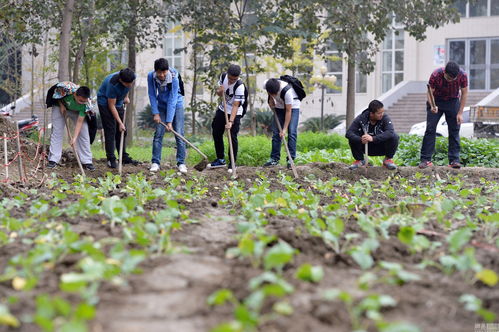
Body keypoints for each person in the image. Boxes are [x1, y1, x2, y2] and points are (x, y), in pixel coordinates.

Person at [419, 61, 468, 169]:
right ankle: (425, 159)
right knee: (430, 129)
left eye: (453, 79)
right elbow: (429, 92)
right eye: (448, 78)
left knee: (454, 130)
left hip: (453, 101)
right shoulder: (436, 74)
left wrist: (460, 113)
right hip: (436, 100)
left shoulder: (463, 75)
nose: (451, 80)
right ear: (444, 72)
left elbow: (464, 93)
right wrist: (432, 105)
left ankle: (454, 160)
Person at [148, 58, 187, 173]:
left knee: (179, 133)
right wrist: (156, 113)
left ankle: (181, 163)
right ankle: (155, 162)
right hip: (161, 105)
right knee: (158, 134)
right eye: (159, 72)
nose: (161, 75)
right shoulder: (151, 76)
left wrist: (169, 121)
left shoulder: (174, 76)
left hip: (176, 104)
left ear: (167, 70)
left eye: (164, 72)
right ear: (155, 71)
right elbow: (152, 94)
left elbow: (172, 99)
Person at [46, 82, 95, 170]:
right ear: (75, 94)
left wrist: (74, 138)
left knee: (84, 132)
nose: (81, 103)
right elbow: (56, 94)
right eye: (80, 100)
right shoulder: (67, 89)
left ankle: (87, 160)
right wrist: (61, 105)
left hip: (75, 111)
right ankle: (53, 159)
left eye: (84, 101)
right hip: (60, 105)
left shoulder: (87, 104)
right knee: (57, 131)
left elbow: (80, 122)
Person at [97, 68, 139, 168]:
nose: (130, 85)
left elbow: (127, 87)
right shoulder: (113, 84)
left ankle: (123, 156)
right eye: (127, 83)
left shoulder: (131, 77)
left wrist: (125, 97)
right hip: (105, 102)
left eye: (131, 83)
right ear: (121, 80)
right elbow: (111, 105)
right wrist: (120, 123)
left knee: (123, 131)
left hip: (119, 101)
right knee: (111, 129)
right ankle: (111, 158)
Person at [207, 64, 246, 172]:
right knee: (216, 132)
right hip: (223, 108)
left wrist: (230, 121)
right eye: (230, 78)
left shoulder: (239, 86)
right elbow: (219, 93)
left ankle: (232, 163)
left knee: (232, 137)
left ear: (238, 77)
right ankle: (220, 159)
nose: (231, 81)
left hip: (235, 112)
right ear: (227, 74)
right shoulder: (223, 76)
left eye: (234, 79)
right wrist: (221, 91)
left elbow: (235, 105)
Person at [345, 100, 398, 170]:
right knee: (353, 138)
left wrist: (373, 138)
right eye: (379, 113)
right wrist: (360, 139)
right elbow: (349, 133)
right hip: (365, 146)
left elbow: (390, 131)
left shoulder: (385, 118)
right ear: (371, 114)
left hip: (381, 146)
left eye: (383, 112)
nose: (382, 114)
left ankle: (387, 160)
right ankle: (360, 160)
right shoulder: (361, 118)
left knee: (394, 136)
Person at [263, 78, 300, 168]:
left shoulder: (287, 92)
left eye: (274, 94)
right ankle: (274, 159)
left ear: (278, 90)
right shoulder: (266, 83)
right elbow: (269, 93)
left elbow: (288, 111)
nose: (274, 95)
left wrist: (284, 129)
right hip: (279, 107)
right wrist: (270, 99)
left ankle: (291, 159)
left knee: (292, 132)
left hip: (293, 107)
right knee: (276, 133)